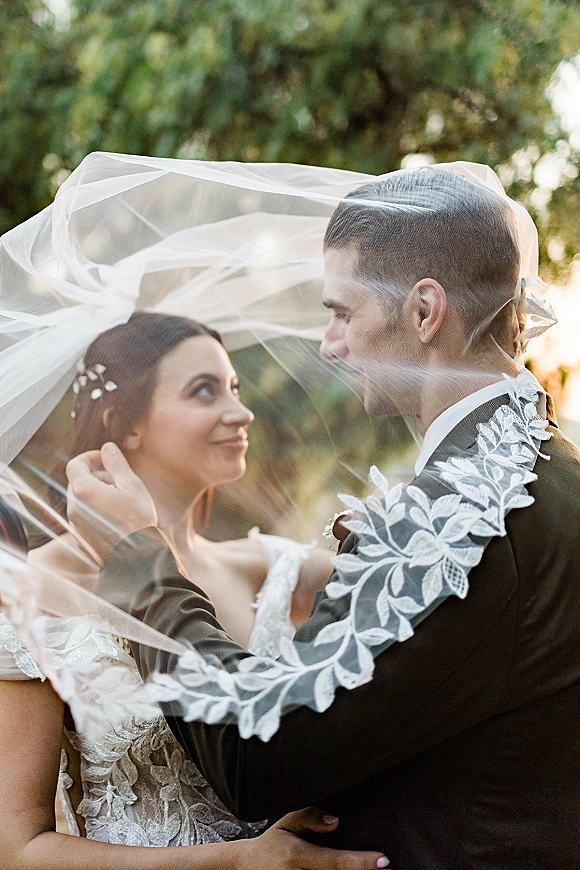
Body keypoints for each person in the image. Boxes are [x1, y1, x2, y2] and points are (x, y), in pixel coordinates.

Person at [66, 165, 580, 869]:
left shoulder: (463, 514)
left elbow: (255, 751)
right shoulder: (554, 474)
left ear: (424, 311)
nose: (328, 345)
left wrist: (135, 553)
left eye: (342, 312)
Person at [0, 312, 389, 870]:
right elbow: (16, 848)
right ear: (124, 424)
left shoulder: (267, 568)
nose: (241, 411)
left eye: (234, 387)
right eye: (204, 391)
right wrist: (238, 861)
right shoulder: (38, 591)